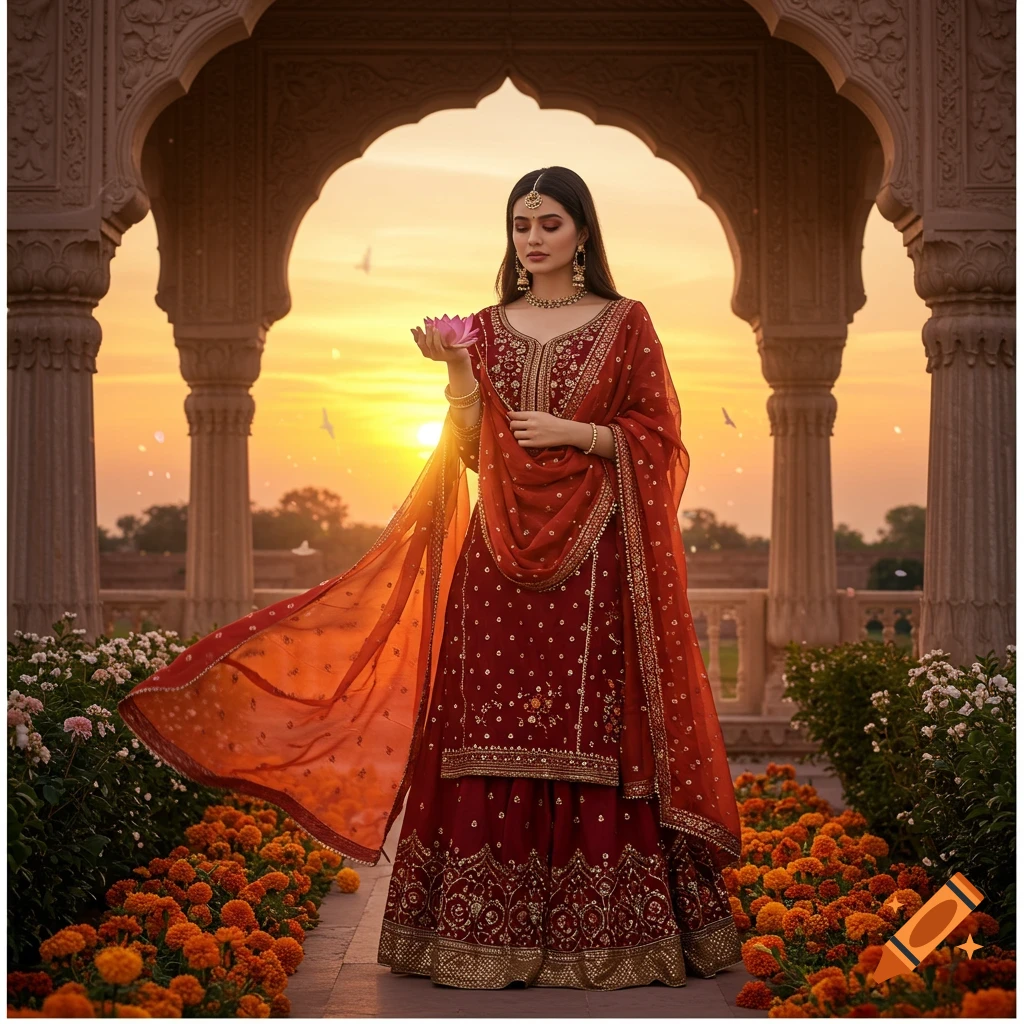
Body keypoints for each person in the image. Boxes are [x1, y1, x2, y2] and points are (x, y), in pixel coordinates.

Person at [117, 166, 743, 992]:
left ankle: (610, 935)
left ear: (584, 233)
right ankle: (475, 933)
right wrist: (454, 371)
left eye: (550, 223)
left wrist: (579, 433)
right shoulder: (483, 325)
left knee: (588, 733)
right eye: (521, 223)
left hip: (592, 567)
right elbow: (466, 447)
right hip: (496, 559)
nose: (533, 237)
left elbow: (658, 440)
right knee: (482, 723)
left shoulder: (627, 324)